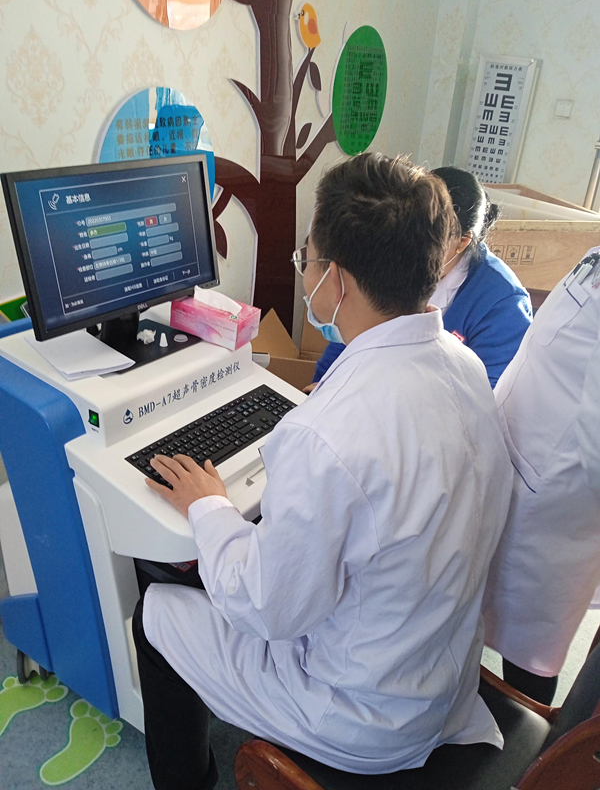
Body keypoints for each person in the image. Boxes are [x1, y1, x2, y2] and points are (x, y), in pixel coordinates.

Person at [133, 152, 513, 789]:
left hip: (360, 717)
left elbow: (267, 608)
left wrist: (208, 506)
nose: (304, 271)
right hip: (439, 678)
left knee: (156, 610)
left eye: (305, 258)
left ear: (334, 280)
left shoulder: (325, 436)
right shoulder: (466, 368)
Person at [483, 247, 600, 704]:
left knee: (526, 650)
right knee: (487, 613)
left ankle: (520, 730)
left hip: (550, 505)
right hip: (522, 462)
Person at [309, 166, 532, 391]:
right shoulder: (398, 251)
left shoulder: (502, 303)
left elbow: (490, 395)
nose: (414, 243)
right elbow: (355, 326)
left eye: (434, 235)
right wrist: (322, 387)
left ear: (462, 241)